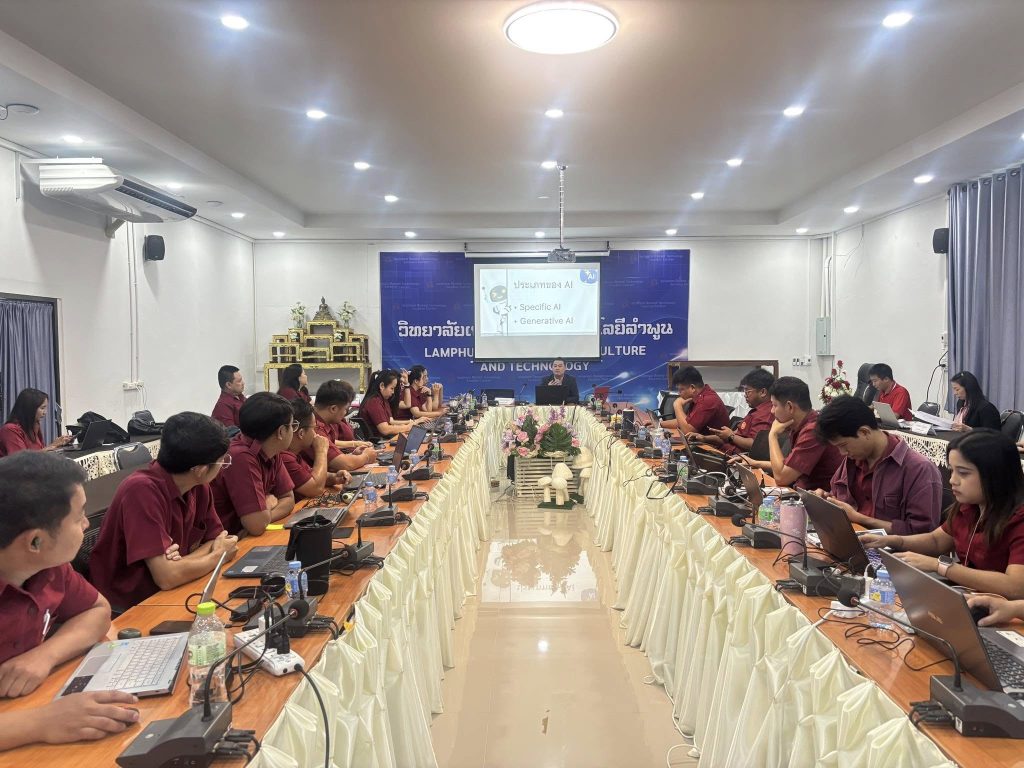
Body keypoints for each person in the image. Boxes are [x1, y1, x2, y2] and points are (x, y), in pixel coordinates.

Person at [0, 452, 140, 746]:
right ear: (35, 541)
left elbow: (98, 611)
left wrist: (44, 656)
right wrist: (40, 723)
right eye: (78, 517)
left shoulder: (49, 567)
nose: (87, 524)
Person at [89, 413, 240, 611]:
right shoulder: (141, 490)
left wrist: (181, 564)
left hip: (179, 587)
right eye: (222, 462)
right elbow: (167, 577)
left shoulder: (198, 486)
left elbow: (218, 539)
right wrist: (218, 555)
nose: (223, 468)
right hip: (131, 606)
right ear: (200, 470)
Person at [862, 429, 1024, 599]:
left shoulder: (1018, 519)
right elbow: (937, 541)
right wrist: (893, 541)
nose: (952, 480)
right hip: (969, 597)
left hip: (1003, 609)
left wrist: (940, 566)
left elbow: (1016, 586)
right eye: (951, 471)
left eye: (963, 473)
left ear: (996, 475)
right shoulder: (970, 506)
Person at [814, 395, 942, 535]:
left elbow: (923, 534)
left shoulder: (919, 469)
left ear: (864, 432)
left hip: (890, 548)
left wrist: (860, 519)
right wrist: (826, 501)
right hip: (848, 539)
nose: (842, 452)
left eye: (843, 445)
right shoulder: (852, 459)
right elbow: (838, 497)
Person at [211, 393, 295, 536]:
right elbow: (256, 526)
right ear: (281, 432)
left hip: (247, 534)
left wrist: (264, 516)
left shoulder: (272, 450)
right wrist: (266, 507)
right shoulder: (240, 456)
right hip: (226, 540)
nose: (293, 430)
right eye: (292, 425)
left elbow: (288, 500)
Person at [738, 377, 843, 492]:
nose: (772, 411)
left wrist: (772, 435)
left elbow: (781, 478)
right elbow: (789, 466)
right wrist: (755, 463)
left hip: (815, 498)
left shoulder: (813, 431)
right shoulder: (800, 425)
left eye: (774, 405)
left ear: (790, 407)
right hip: (802, 493)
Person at [702, 368, 775, 454]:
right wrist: (704, 438)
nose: (745, 395)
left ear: (763, 392)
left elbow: (755, 444)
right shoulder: (756, 411)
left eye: (748, 391)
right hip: (725, 453)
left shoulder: (766, 414)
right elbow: (732, 435)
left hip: (736, 458)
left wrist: (731, 436)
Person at [307, 380, 374, 473]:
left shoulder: (325, 424)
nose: (345, 413)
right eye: (346, 409)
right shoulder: (314, 428)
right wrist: (366, 456)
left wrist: (353, 455)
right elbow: (346, 464)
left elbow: (335, 459)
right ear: (333, 408)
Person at [283, 399, 345, 499]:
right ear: (301, 433)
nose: (316, 434)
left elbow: (310, 476)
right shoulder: (284, 457)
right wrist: (321, 451)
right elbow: (316, 488)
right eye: (314, 428)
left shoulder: (295, 453)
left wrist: (335, 478)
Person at [0, 388, 72, 457]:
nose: (45, 412)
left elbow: (39, 452)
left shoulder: (34, 425)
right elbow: (21, 460)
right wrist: (52, 446)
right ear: (29, 408)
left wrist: (56, 444)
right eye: (42, 408)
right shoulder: (10, 430)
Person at [661, 366, 728, 435]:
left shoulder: (706, 401)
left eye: (681, 389)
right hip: (701, 440)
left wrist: (677, 405)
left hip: (711, 442)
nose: (679, 393)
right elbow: (684, 422)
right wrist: (660, 424)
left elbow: (687, 431)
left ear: (692, 388)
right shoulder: (699, 396)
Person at [358, 370, 426, 438]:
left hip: (385, 438)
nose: (393, 392)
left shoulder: (383, 399)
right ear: (382, 386)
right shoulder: (374, 402)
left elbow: (391, 421)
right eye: (392, 388)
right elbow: (385, 430)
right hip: (380, 441)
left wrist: (412, 423)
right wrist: (408, 427)